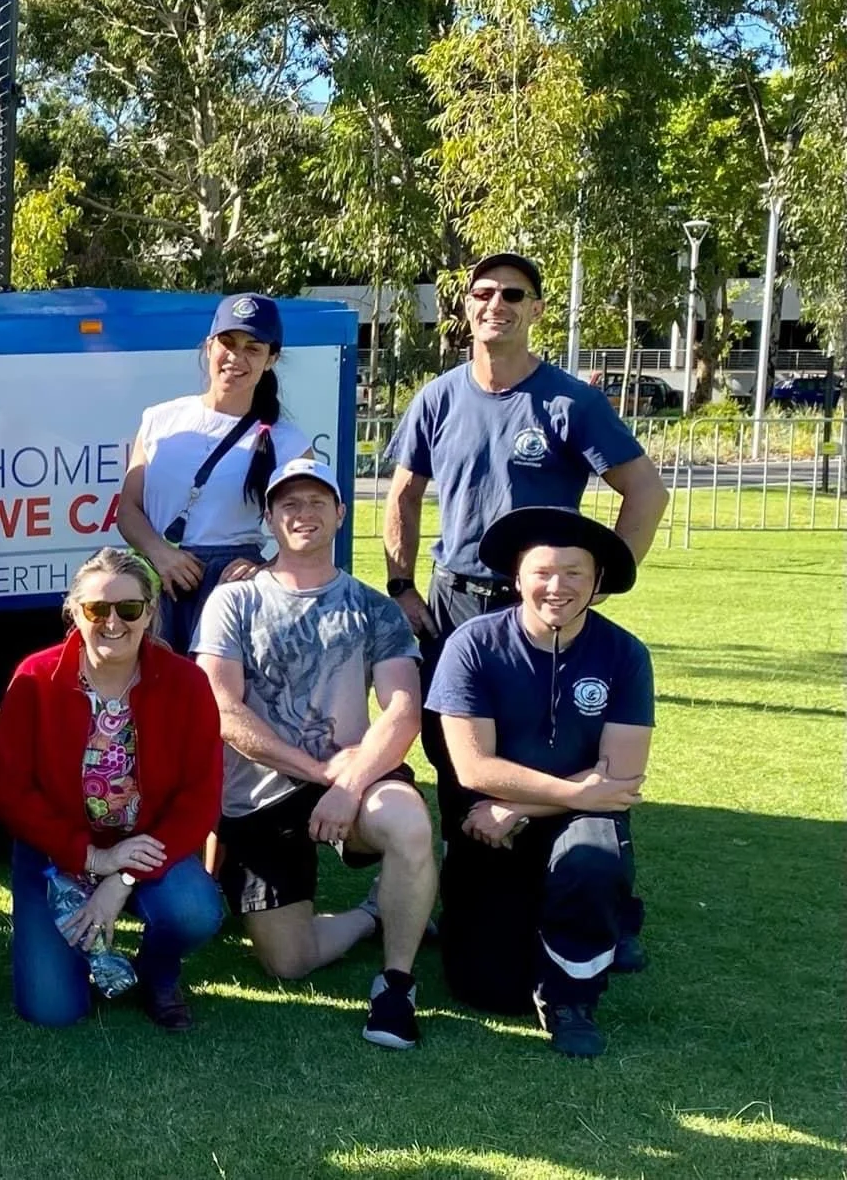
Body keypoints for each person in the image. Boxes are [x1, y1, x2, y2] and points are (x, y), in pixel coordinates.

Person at [384, 251, 666, 964]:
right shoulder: (438, 397)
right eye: (482, 293)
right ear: (466, 308)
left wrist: (602, 580)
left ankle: (605, 899)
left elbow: (646, 492)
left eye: (514, 294)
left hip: (538, 604)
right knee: (459, 758)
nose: (496, 305)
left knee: (569, 744)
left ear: (537, 308)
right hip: (455, 601)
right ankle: (465, 893)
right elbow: (403, 495)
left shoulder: (571, 400)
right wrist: (401, 585)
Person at [191, 458, 433, 1049]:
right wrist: (319, 774)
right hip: (262, 794)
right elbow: (222, 709)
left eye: (317, 502)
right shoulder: (234, 603)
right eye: (290, 504)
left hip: (358, 778)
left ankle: (396, 986)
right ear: (270, 518)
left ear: (341, 514)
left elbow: (402, 709)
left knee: (407, 822)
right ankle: (373, 913)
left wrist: (348, 786)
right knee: (288, 963)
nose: (304, 514)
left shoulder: (374, 608)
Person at [427, 507, 652, 1057]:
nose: (558, 586)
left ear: (598, 582)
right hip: (488, 828)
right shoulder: (471, 645)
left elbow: (620, 780)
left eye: (575, 573)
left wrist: (524, 805)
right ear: (517, 577)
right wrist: (573, 792)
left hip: (563, 822)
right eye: (543, 571)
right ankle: (599, 920)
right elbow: (474, 769)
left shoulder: (624, 653)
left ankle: (573, 997)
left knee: (593, 859)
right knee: (490, 991)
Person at [0, 547, 226, 1030]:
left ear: (150, 612)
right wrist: (89, 859)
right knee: (53, 1010)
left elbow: (200, 799)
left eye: (129, 608)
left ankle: (158, 974)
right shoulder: (34, 678)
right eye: (97, 609)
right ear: (74, 611)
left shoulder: (187, 683)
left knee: (196, 911)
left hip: (144, 850)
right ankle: (73, 950)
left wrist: (121, 877)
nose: (112, 622)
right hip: (55, 855)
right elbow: (10, 792)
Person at [118, 294, 313, 653]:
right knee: (153, 701)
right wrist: (160, 554)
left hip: (230, 587)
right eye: (228, 342)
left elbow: (315, 527)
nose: (236, 358)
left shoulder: (288, 442)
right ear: (209, 347)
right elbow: (128, 510)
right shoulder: (160, 419)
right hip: (158, 579)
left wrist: (266, 569)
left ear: (271, 359)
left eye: (253, 349)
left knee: (219, 701)